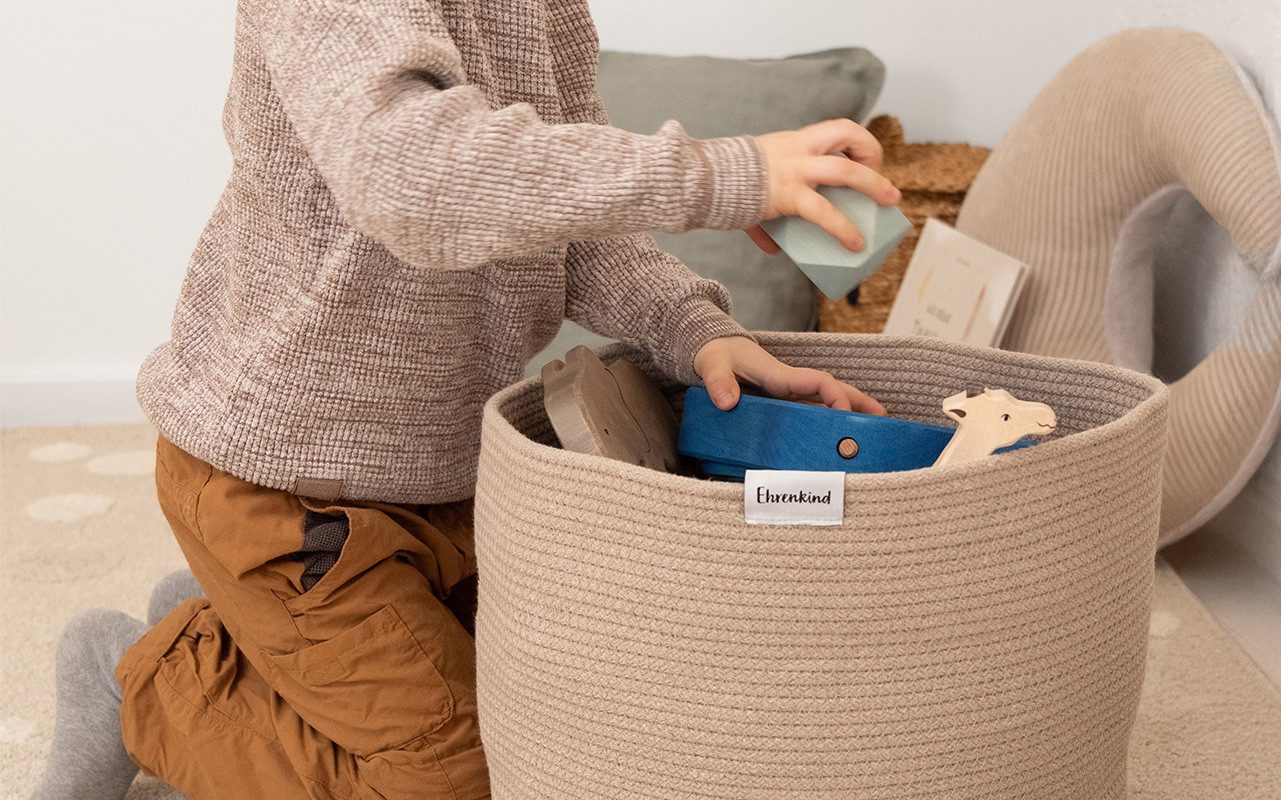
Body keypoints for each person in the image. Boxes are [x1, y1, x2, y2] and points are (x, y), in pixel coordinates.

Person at [32, 1, 898, 798]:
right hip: (285, 490)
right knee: (455, 780)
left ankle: (244, 631)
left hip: (445, 482)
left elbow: (570, 228)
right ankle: (142, 679)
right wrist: (718, 176)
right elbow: (410, 175)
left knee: (550, 713)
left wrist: (697, 331)